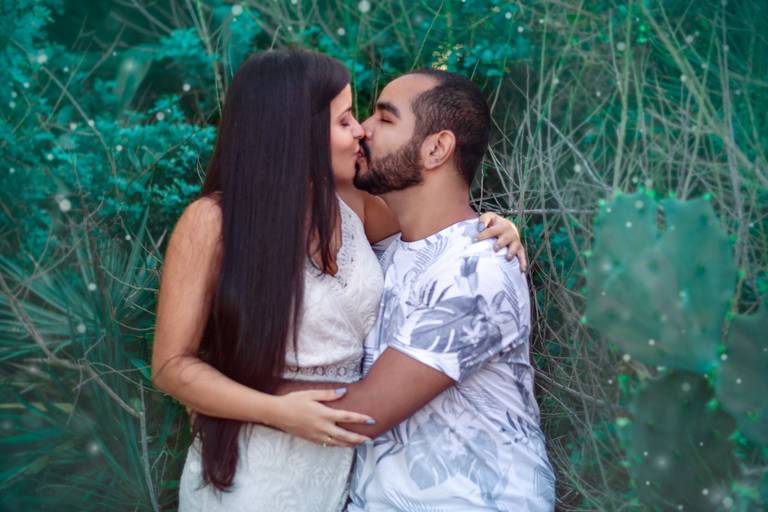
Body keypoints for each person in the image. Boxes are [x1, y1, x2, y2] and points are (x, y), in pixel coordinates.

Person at [150, 49, 525, 511]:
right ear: (297, 132)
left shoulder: (352, 208)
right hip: (256, 467)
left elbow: (437, 223)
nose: (360, 131)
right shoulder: (213, 222)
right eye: (345, 119)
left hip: (338, 478)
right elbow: (170, 365)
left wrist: (497, 229)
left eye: (363, 118)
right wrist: (262, 408)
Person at [280, 69, 556, 511]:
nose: (362, 130)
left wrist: (227, 399)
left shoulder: (478, 268)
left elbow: (359, 416)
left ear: (436, 148)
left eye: (385, 120)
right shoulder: (384, 253)